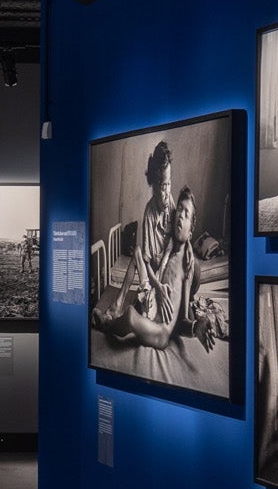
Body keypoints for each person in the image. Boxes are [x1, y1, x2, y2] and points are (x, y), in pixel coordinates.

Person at [91, 141, 217, 352]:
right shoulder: (150, 212)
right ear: (153, 184)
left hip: (162, 318)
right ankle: (116, 307)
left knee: (192, 267)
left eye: (169, 185)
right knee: (138, 253)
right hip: (156, 273)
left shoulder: (186, 256)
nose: (166, 192)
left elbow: (184, 232)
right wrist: (157, 287)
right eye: (161, 186)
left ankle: (114, 319)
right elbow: (155, 259)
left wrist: (195, 325)